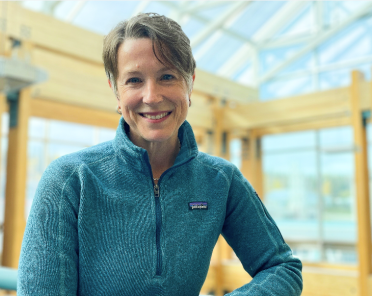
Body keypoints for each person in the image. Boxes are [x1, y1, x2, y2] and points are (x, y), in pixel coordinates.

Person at [18, 13, 303, 296]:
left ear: (189, 84)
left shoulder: (221, 181)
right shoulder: (70, 180)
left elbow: (282, 268)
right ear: (116, 91)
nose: (151, 96)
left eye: (167, 76)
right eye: (134, 80)